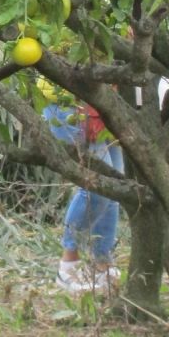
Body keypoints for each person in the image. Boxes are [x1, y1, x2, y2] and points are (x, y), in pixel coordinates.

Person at [42, 93, 122, 295]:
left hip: (102, 104)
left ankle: (101, 264)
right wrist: (93, 110)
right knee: (96, 189)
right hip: (72, 106)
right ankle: (68, 264)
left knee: (115, 189)